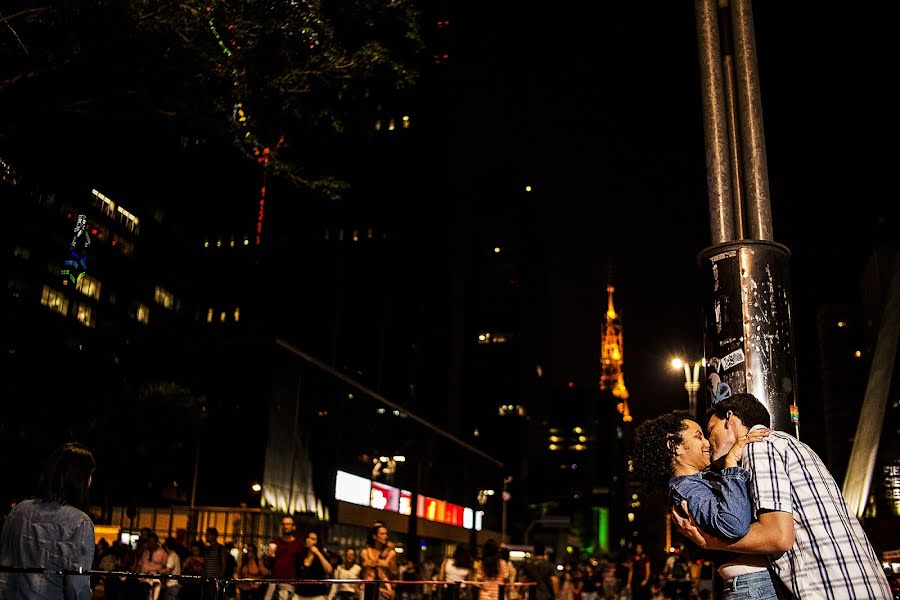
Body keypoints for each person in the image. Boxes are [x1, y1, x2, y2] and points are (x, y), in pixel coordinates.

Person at [672, 393, 893, 599]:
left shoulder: (757, 448)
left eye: (710, 431)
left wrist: (710, 542)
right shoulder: (789, 443)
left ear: (729, 419)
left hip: (834, 587)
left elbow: (778, 536)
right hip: (862, 582)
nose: (708, 443)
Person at [632, 410, 776, 599]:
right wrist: (731, 463)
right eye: (699, 436)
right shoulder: (685, 489)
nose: (707, 443)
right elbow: (734, 524)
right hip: (753, 586)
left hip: (758, 583)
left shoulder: (699, 481)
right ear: (674, 446)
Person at [0, 442, 96, 600]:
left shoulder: (18, 511)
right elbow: (77, 589)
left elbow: (4, 568)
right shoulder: (80, 522)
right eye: (90, 475)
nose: (91, 481)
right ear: (79, 478)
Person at [264, 516, 306, 600]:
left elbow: (302, 566)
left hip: (290, 584)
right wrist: (268, 556)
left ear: (293, 527)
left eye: (288, 524)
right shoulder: (275, 542)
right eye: (283, 524)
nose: (285, 526)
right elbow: (268, 565)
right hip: (274, 583)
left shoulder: (299, 545)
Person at [360, 524, 398, 600]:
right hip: (367, 588)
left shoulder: (391, 553)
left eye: (386, 534)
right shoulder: (365, 552)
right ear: (374, 536)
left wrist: (387, 564)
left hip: (385, 589)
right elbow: (363, 570)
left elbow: (394, 572)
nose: (385, 536)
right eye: (382, 534)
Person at [295, 531, 334, 600]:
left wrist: (317, 553)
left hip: (317, 594)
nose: (309, 540)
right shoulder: (301, 554)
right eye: (308, 537)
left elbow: (329, 570)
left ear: (317, 542)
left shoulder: (323, 555)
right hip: (300, 593)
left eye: (313, 539)